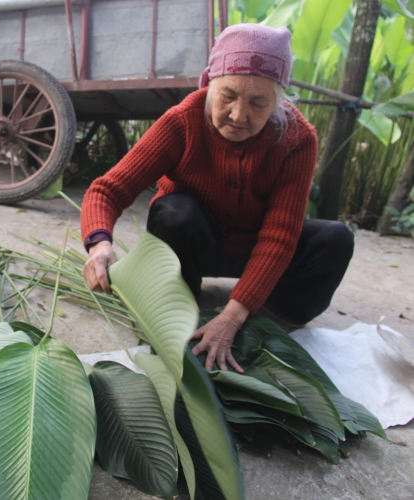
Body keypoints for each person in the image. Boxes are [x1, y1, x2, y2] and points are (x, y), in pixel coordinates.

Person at [80, 24, 354, 373]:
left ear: (279, 100)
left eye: (258, 102)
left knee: (335, 239)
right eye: (228, 95)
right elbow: (107, 189)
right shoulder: (183, 121)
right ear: (209, 82)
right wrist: (99, 246)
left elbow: (279, 237)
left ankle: (268, 315)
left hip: (257, 249)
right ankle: (181, 301)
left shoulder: (298, 138)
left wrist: (233, 315)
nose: (239, 115)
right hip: (198, 243)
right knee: (174, 211)